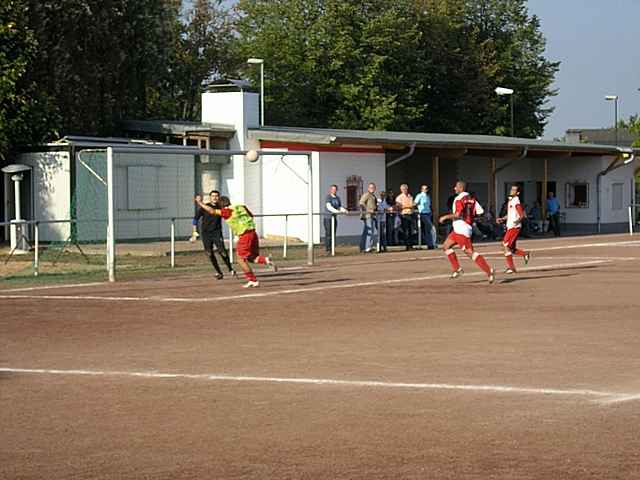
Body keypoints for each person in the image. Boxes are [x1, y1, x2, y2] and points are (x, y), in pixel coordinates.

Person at [194, 195, 277, 288]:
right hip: (253, 233)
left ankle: (253, 280)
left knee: (240, 259)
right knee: (250, 257)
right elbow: (251, 216)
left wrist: (200, 203)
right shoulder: (241, 207)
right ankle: (265, 260)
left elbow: (212, 211)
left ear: (221, 205)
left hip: (244, 235)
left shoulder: (227, 212)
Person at [438, 181, 495, 284]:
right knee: (446, 246)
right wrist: (471, 217)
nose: (454, 189)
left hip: (461, 229)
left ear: (461, 188)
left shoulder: (459, 199)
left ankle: (489, 271)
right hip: (461, 229)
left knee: (469, 252)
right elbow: (480, 212)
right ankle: (457, 269)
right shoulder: (472, 199)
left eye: (456, 187)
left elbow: (458, 214)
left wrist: (445, 217)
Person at [193, 190, 235, 280]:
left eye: (216, 196)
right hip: (206, 233)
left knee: (222, 251)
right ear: (210, 197)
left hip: (216, 232)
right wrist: (194, 232)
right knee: (209, 253)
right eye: (213, 196)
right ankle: (219, 272)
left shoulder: (221, 206)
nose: (215, 197)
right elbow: (195, 219)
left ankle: (230, 269)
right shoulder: (205, 206)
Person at [496, 184, 531, 274]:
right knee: (510, 248)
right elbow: (511, 214)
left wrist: (517, 221)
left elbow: (522, 215)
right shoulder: (511, 201)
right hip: (510, 226)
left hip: (514, 227)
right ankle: (525, 254)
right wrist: (502, 219)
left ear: (517, 193)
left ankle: (511, 268)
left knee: (505, 245)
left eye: (514, 190)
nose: (511, 191)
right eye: (511, 189)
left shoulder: (516, 201)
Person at [324, 184, 348, 252]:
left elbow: (339, 207)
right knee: (328, 234)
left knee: (333, 233)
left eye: (335, 189)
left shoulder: (337, 198)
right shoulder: (328, 197)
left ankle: (332, 249)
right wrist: (337, 212)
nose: (334, 190)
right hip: (328, 218)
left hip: (334, 218)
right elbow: (329, 207)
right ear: (330, 190)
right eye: (332, 189)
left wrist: (344, 210)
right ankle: (328, 249)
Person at [414, 184, 435, 249]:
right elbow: (415, 203)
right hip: (423, 213)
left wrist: (432, 211)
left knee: (427, 230)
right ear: (421, 189)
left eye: (426, 188)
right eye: (424, 188)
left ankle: (430, 244)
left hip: (428, 213)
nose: (425, 190)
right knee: (431, 227)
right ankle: (431, 243)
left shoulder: (428, 196)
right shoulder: (419, 196)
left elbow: (429, 205)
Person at [359, 183, 378, 253]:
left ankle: (363, 247)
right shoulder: (367, 195)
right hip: (367, 216)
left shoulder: (373, 196)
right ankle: (367, 247)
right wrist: (368, 210)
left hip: (372, 216)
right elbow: (361, 203)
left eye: (373, 187)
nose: (372, 189)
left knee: (366, 232)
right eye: (370, 187)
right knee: (370, 231)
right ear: (368, 188)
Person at [395, 184, 415, 250]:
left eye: (406, 189)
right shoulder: (399, 197)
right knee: (405, 230)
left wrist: (409, 206)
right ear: (401, 190)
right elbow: (399, 207)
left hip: (410, 214)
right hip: (404, 215)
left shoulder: (410, 196)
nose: (405, 190)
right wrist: (408, 206)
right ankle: (407, 245)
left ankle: (411, 245)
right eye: (403, 189)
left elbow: (413, 204)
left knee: (411, 230)